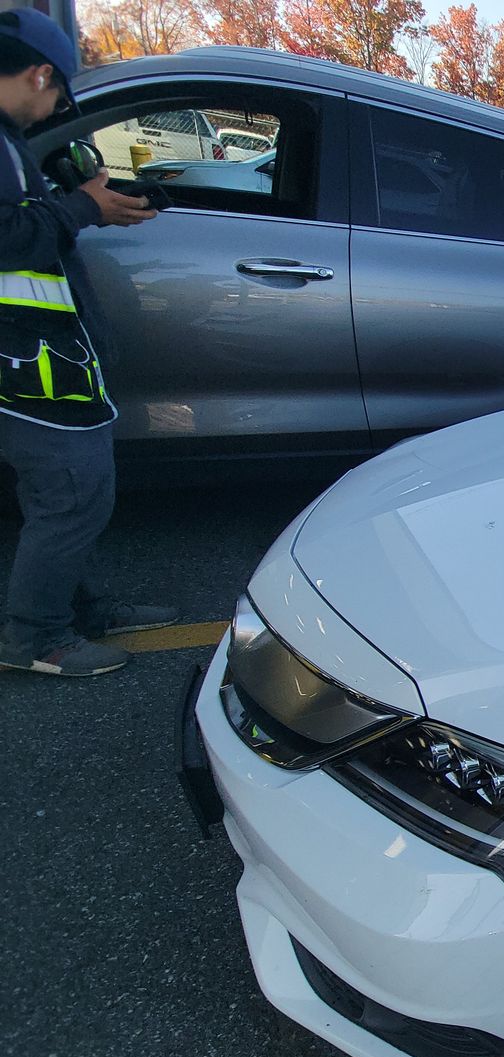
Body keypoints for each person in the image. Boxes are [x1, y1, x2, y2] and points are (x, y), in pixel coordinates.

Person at [0, 9, 173, 677]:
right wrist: (81, 209)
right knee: (73, 494)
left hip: (40, 360)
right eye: (59, 95)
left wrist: (82, 205)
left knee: (66, 495)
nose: (53, 109)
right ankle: (37, 639)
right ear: (42, 72)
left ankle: (77, 610)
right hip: (26, 368)